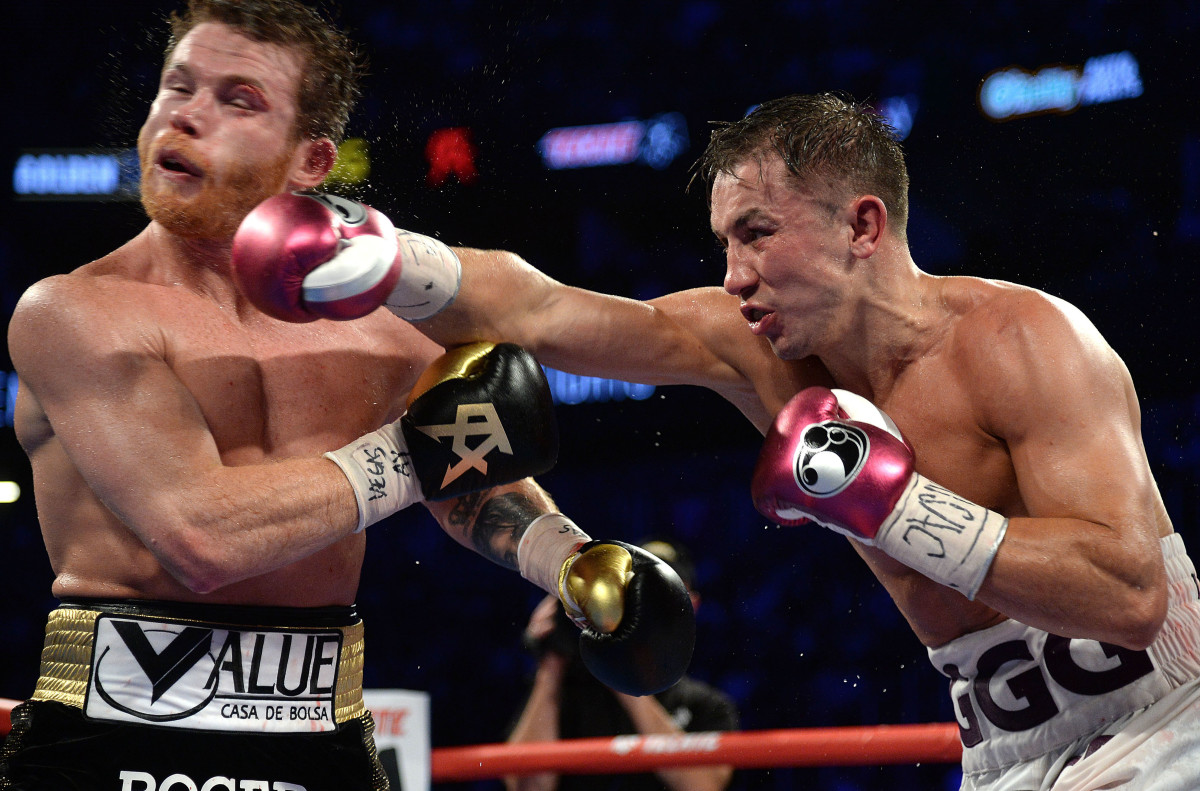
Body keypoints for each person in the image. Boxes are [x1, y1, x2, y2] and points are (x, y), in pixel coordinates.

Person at [252, 92, 1200, 789]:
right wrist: (388, 259)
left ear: (861, 225)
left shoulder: (1024, 339)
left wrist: (893, 502)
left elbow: (1128, 595)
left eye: (757, 234)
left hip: (1169, 719)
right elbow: (541, 308)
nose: (736, 275)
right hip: (1005, 751)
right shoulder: (752, 353)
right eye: (723, 245)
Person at [0, 2, 694, 789]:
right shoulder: (74, 312)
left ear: (312, 162)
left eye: (239, 99)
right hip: (112, 733)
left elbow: (465, 469)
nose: (186, 116)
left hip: (316, 734)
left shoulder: (382, 326)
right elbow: (199, 537)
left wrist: (570, 561)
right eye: (177, 86)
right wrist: (414, 452)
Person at [505, 539, 738, 791]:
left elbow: (703, 787)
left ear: (689, 606)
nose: (645, 601)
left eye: (661, 591)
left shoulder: (707, 706)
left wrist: (623, 668)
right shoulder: (561, 694)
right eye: (636, 588)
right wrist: (551, 660)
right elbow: (527, 787)